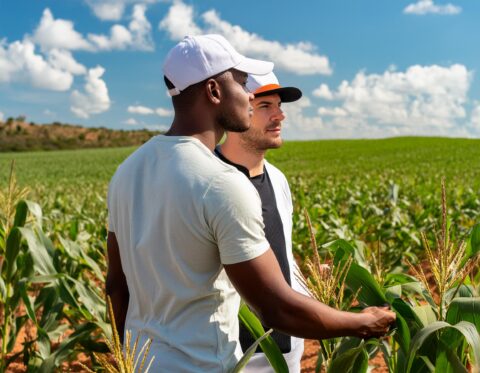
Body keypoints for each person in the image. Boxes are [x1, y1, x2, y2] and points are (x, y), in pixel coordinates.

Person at [106, 34, 396, 372]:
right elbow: (275, 308)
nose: (247, 94)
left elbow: (116, 284)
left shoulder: (126, 173)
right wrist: (362, 322)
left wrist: (130, 355)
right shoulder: (221, 182)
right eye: (242, 83)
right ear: (214, 91)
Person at [215, 71, 305, 372]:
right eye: (265, 106)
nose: (279, 115)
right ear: (235, 110)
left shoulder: (278, 179)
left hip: (285, 350)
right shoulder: (207, 180)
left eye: (279, 106)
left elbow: (283, 255)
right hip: (230, 354)